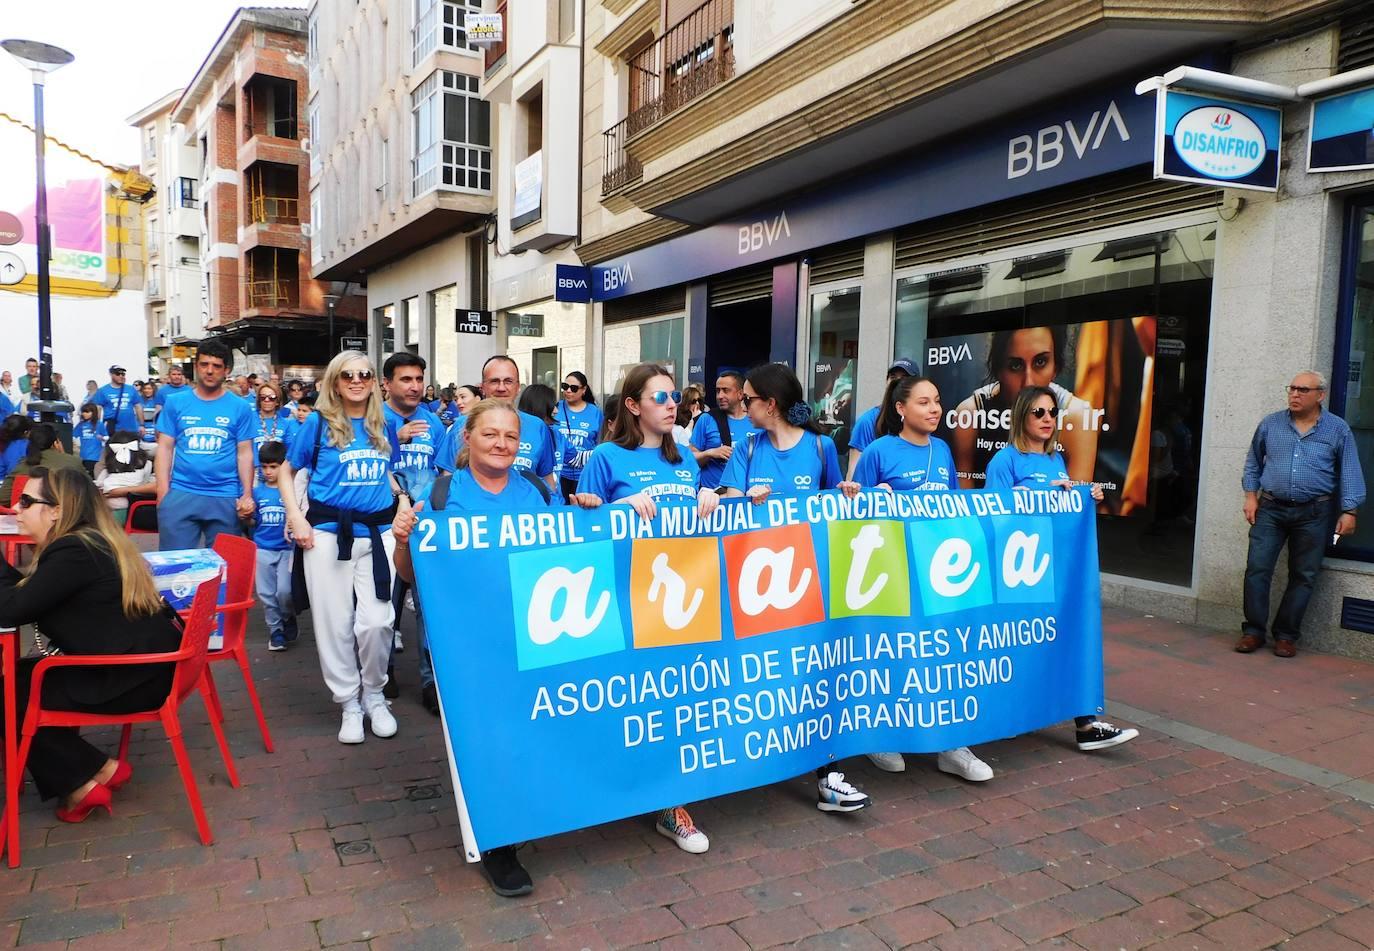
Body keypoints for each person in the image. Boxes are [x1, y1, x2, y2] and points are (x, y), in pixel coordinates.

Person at [392, 399, 595, 896]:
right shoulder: (439, 496)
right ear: (467, 439)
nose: (502, 444)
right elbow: (410, 574)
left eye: (510, 436)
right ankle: (498, 844)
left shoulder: (538, 493)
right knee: (488, 741)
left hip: (528, 639)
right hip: (469, 650)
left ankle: (525, 816)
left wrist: (590, 514)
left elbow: (566, 557)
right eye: (491, 435)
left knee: (531, 731)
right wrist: (401, 541)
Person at [718, 363, 876, 812]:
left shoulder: (823, 447)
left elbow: (836, 510)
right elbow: (726, 506)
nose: (741, 406)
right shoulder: (747, 449)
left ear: (771, 405)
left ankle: (828, 775)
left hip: (810, 588)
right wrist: (741, 502)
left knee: (815, 676)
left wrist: (848, 493)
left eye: (748, 399)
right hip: (755, 588)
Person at [579, 363, 719, 856]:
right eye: (660, 397)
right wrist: (610, 508)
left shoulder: (686, 462)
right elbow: (581, 524)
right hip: (626, 602)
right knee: (639, 703)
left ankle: (670, 802)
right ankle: (629, 788)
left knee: (677, 702)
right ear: (633, 406)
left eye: (674, 395)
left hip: (681, 605)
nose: (671, 404)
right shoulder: (605, 457)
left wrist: (712, 496)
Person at [0, 467, 182, 821]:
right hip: (145, 668)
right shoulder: (88, 540)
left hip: (129, 677)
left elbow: (11, 610)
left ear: (56, 510)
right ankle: (98, 770)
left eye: (25, 501)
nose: (15, 510)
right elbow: (23, 596)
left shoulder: (73, 550)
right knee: (17, 681)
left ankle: (82, 783)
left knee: (9, 694)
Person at [850, 374, 996, 781]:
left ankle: (951, 745)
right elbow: (853, 514)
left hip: (937, 574)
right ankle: (882, 735)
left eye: (937, 402)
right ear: (900, 409)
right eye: (924, 402)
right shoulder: (878, 451)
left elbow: (951, 510)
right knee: (889, 652)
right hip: (890, 574)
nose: (935, 409)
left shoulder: (943, 450)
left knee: (940, 657)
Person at [985, 385, 1138, 752]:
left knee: (1065, 638)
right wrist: (1032, 499)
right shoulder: (1005, 461)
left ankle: (1086, 724)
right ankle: (1010, 715)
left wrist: (1081, 496)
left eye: (1052, 412)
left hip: (1051, 571)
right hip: (1017, 575)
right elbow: (993, 518)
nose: (1047, 419)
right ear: (1021, 416)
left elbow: (1061, 514)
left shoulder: (1056, 460)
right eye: (1038, 413)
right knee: (1018, 645)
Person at [279, 351, 409, 745]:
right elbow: (287, 470)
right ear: (335, 382)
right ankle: (349, 702)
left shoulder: (383, 424)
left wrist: (401, 498)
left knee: (378, 621)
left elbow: (387, 472)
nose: (357, 381)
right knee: (333, 623)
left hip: (378, 530)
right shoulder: (318, 423)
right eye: (348, 375)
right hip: (329, 533)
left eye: (364, 375)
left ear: (374, 381)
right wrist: (296, 518)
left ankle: (374, 692)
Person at [1238, 370, 1365, 658]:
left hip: (1315, 512)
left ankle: (1285, 635)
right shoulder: (1271, 424)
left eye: (1303, 390)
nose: (1295, 394)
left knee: (1304, 574)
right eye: (1292, 388)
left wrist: (1349, 510)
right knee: (1257, 569)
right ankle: (1253, 631)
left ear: (1320, 395)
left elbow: (1350, 471)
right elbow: (1253, 462)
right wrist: (1250, 496)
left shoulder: (1337, 429)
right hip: (1270, 508)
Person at [951, 327, 1098, 488]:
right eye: (1015, 366)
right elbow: (963, 502)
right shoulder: (971, 413)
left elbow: (1077, 504)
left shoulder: (1077, 416)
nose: (1028, 382)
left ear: (1055, 367)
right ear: (998, 369)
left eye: (1040, 362)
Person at [381, 352, 443, 706]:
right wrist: (395, 440)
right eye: (406, 379)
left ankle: (430, 681)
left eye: (419, 379)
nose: (415, 386)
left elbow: (442, 472)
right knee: (384, 603)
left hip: (425, 525)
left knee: (427, 605)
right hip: (385, 523)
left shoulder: (433, 423)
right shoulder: (374, 420)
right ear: (386, 383)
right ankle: (382, 671)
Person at [155, 339, 257, 551]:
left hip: (225, 495)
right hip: (182, 491)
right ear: (196, 367)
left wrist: (246, 494)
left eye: (216, 366)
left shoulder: (241, 407)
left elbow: (245, 453)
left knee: (222, 569)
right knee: (176, 569)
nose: (209, 371)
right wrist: (163, 494)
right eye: (204, 364)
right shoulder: (175, 402)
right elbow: (164, 448)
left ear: (226, 370)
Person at [434, 356, 556, 491]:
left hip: (523, 509)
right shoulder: (463, 424)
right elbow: (447, 477)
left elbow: (547, 481)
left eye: (508, 381)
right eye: (494, 381)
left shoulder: (537, 426)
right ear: (483, 387)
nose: (501, 388)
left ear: (518, 387)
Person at [249, 442, 297, 652]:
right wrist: (246, 515)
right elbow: (252, 522)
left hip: (287, 549)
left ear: (283, 466)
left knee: (284, 592)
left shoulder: (293, 491)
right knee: (267, 594)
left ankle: (288, 617)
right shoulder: (257, 493)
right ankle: (275, 631)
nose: (268, 472)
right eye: (264, 467)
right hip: (263, 548)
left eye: (273, 467)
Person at [845, 359, 919, 479]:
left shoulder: (922, 421)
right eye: (893, 377)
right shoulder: (868, 421)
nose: (898, 382)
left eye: (905, 377)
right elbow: (853, 475)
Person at [690, 371, 755, 490]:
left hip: (746, 496)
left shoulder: (755, 421)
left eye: (726, 390)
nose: (720, 396)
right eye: (718, 391)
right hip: (712, 497)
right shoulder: (707, 419)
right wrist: (710, 453)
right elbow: (689, 459)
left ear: (740, 394)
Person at [1, 423, 86, 501]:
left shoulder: (23, 465)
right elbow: (91, 493)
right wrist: (64, 455)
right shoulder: (73, 462)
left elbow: (3, 498)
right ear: (56, 443)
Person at [555, 372, 603, 501]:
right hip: (560, 474)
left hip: (585, 473)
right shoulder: (555, 409)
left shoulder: (595, 413)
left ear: (584, 390)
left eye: (574, 388)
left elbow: (601, 443)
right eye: (565, 386)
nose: (568, 391)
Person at [95, 431, 156, 522]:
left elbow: (99, 484)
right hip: (131, 509)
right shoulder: (147, 465)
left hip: (109, 508)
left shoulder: (109, 468)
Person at [93, 366, 142, 437]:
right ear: (111, 374)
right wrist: (98, 429)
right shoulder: (102, 391)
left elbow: (138, 407)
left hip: (131, 429)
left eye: (123, 374)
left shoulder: (131, 389)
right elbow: (98, 409)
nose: (121, 376)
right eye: (118, 374)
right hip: (112, 429)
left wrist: (142, 425)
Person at [253, 382, 289, 460]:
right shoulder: (249, 420)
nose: (267, 400)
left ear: (277, 401)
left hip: (276, 469)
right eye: (263, 397)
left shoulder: (286, 424)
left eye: (272, 397)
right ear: (259, 400)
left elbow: (289, 451)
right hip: (252, 469)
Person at [73, 404, 106, 476]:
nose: (84, 414)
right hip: (84, 455)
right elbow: (73, 436)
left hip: (96, 456)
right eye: (83, 412)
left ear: (93, 412)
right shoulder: (81, 425)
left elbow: (107, 437)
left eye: (87, 412)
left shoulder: (99, 424)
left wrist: (102, 438)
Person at [0, 416, 32, 482]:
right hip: (26, 483)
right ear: (26, 432)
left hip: (9, 483)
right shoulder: (31, 445)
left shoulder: (4, 446)